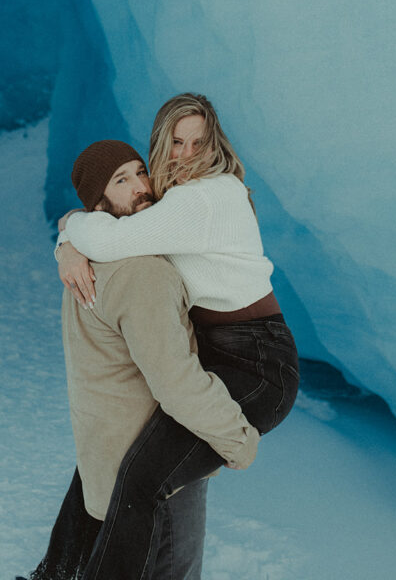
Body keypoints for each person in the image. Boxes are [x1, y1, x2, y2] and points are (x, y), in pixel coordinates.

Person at [56, 94, 300, 580]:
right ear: (160, 145)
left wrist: (68, 237)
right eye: (176, 142)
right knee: (109, 464)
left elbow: (105, 236)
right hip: (218, 352)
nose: (187, 154)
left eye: (198, 142)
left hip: (258, 365)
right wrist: (68, 237)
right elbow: (110, 218)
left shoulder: (206, 197)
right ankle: (57, 570)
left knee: (139, 480)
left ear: (215, 144)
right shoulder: (170, 198)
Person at [25, 139, 260, 580]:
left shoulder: (91, 258)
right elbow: (176, 381)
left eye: (139, 171)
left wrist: (68, 239)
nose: (141, 186)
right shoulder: (141, 272)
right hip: (156, 466)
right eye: (121, 180)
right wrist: (237, 439)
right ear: (99, 203)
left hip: (109, 460)